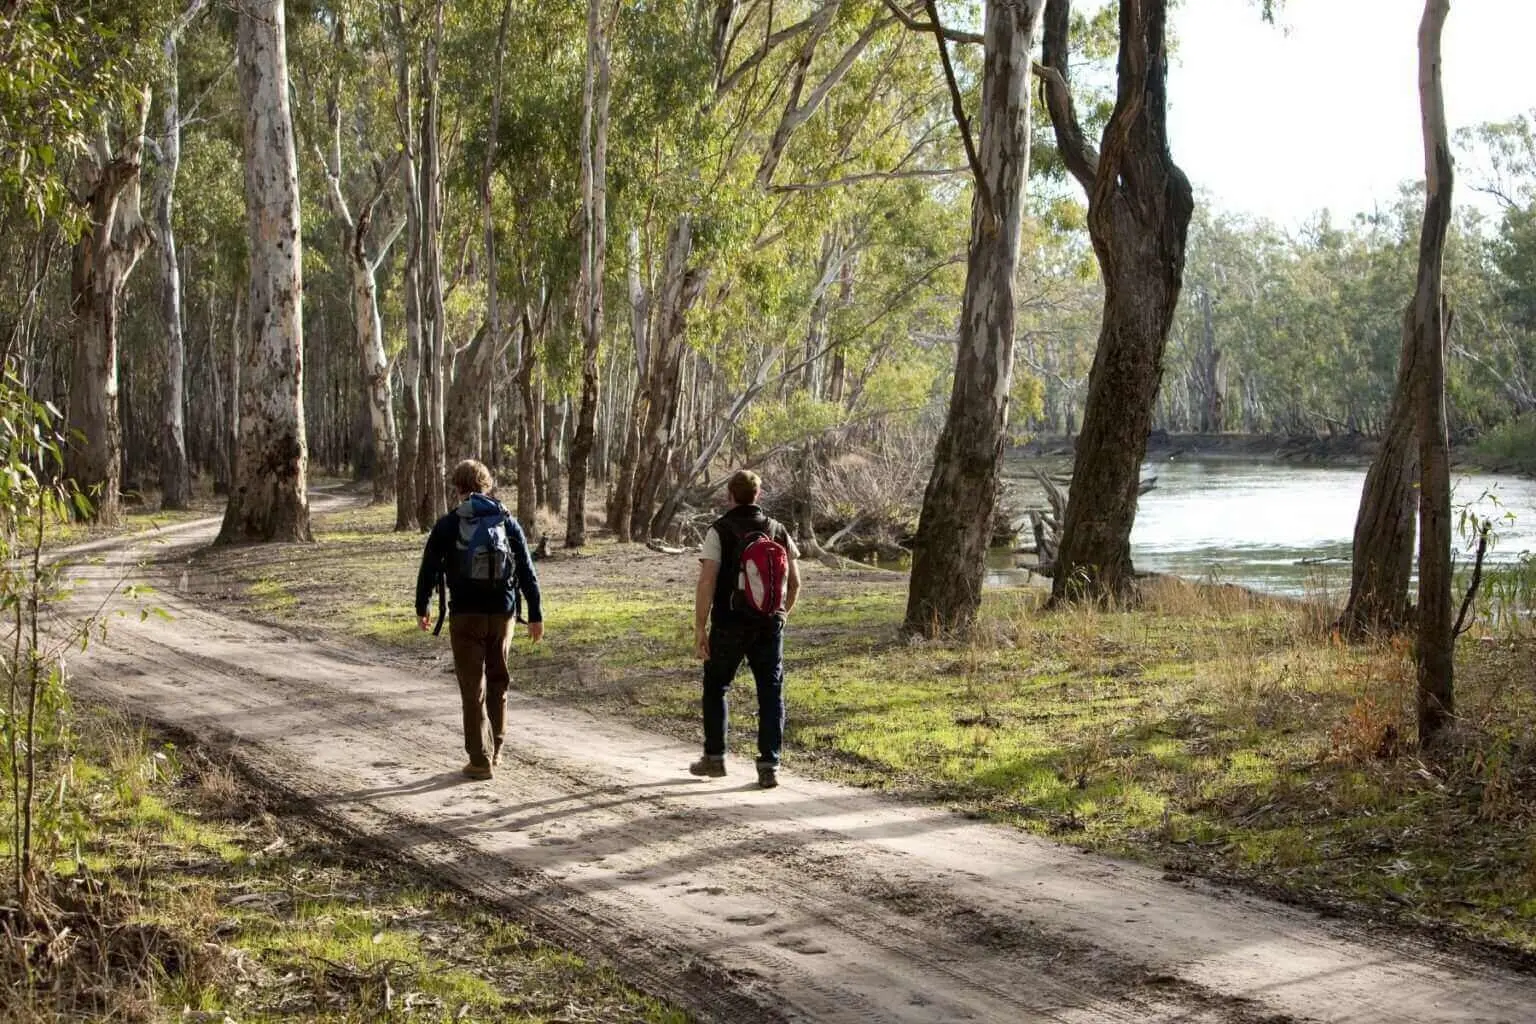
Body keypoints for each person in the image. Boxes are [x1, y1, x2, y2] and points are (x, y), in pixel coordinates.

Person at [415, 459, 543, 780]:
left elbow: (428, 569)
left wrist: (423, 606)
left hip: (465, 615)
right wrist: (536, 615)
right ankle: (497, 748)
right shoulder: (507, 523)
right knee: (498, 680)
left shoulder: (448, 525)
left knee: (472, 689)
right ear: (487, 485)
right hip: (503, 614)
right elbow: (527, 571)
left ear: (458, 488)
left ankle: (479, 759)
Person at [690, 469, 800, 788]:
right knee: (771, 691)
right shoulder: (778, 530)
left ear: (730, 496)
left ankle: (714, 758)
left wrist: (700, 627)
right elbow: (795, 584)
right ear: (758, 495)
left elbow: (707, 581)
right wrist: (781, 615)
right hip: (769, 625)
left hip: (729, 624)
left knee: (716, 686)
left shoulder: (720, 530)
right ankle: (769, 766)